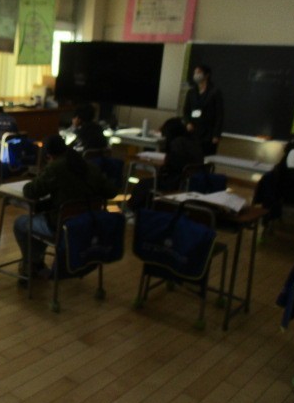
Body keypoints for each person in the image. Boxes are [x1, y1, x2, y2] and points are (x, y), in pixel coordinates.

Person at [13, 135, 118, 282]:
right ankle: (36, 263)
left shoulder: (56, 168)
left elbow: (30, 191)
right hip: (89, 225)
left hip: (63, 227)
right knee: (38, 220)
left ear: (49, 155)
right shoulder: (89, 166)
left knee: (21, 223)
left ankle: (31, 264)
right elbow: (111, 192)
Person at [127, 117, 203, 212]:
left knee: (142, 184)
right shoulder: (193, 142)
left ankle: (136, 212)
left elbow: (172, 165)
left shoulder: (177, 143)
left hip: (175, 183)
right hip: (190, 183)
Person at [183, 64, 224, 156]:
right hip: (194, 131)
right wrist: (188, 122)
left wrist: (216, 135)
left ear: (206, 75)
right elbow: (186, 110)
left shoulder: (215, 92)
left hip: (208, 133)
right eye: (195, 73)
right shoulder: (191, 92)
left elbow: (219, 115)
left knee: (206, 156)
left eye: (198, 72)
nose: (196, 75)